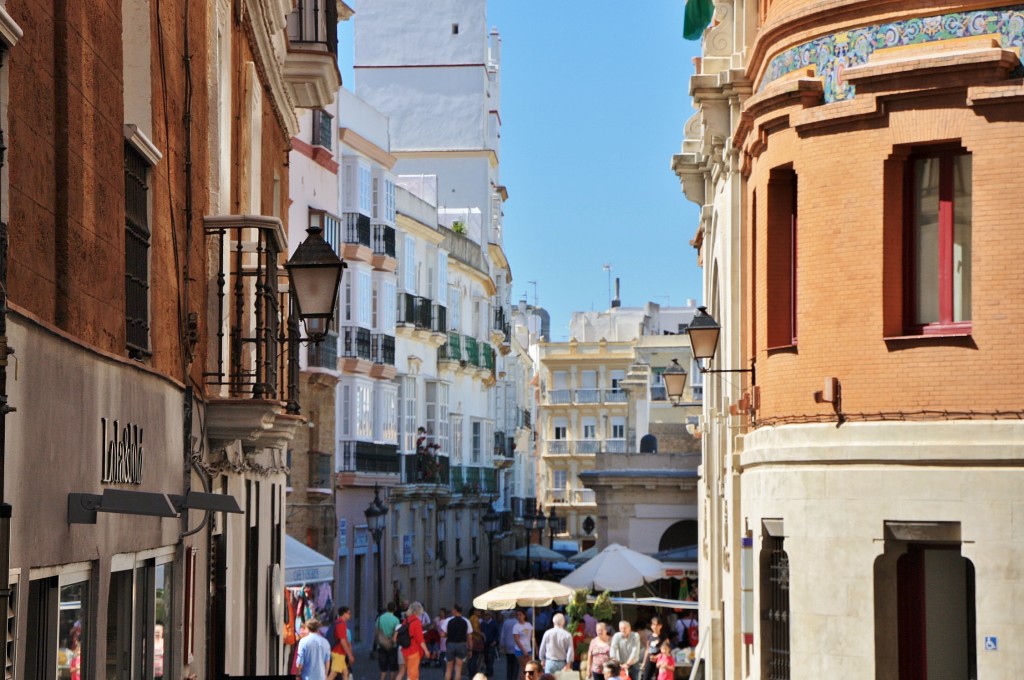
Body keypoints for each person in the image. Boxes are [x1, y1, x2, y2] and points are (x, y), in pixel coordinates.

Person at [401, 601, 433, 680]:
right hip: (414, 650)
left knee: (410, 672)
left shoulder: (406, 621)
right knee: (413, 675)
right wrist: (426, 650)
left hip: (405, 649)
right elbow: (420, 639)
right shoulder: (417, 622)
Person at [444, 604, 472, 680]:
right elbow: (469, 637)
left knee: (448, 669)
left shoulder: (448, 620)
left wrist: (448, 635)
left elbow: (442, 634)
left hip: (450, 644)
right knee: (458, 669)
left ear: (455, 610)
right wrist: (470, 649)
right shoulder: (466, 621)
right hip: (461, 644)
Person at [328, 607, 354, 680]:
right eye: (349, 613)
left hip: (338, 652)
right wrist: (349, 655)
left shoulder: (338, 623)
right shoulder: (341, 624)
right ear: (344, 614)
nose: (350, 615)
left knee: (345, 673)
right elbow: (343, 640)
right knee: (333, 674)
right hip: (338, 652)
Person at [377, 602, 402, 680]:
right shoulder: (396, 620)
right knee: (393, 668)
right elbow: (396, 632)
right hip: (392, 645)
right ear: (395, 609)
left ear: (387, 608)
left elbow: (376, 630)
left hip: (381, 644)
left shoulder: (380, 618)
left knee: (383, 668)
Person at [512, 609, 535, 679]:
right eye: (517, 615)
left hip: (529, 648)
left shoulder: (528, 624)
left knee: (530, 668)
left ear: (524, 615)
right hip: (520, 650)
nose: (519, 616)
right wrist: (523, 650)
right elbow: (516, 640)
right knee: (524, 668)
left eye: (520, 615)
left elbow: (532, 637)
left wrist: (536, 648)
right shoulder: (516, 626)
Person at [479, 609, 501, 676]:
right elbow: (480, 632)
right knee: (486, 658)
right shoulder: (482, 624)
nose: (486, 616)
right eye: (485, 615)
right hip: (485, 643)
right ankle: (489, 670)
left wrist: (495, 641)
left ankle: (489, 672)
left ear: (490, 616)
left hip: (492, 643)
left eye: (487, 615)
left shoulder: (494, 623)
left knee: (490, 658)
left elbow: (497, 633)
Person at [501, 610, 520, 680]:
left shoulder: (506, 623)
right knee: (516, 665)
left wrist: (502, 645)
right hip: (517, 646)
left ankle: (509, 678)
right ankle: (514, 678)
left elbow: (503, 635)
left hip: (508, 646)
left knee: (509, 664)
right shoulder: (518, 623)